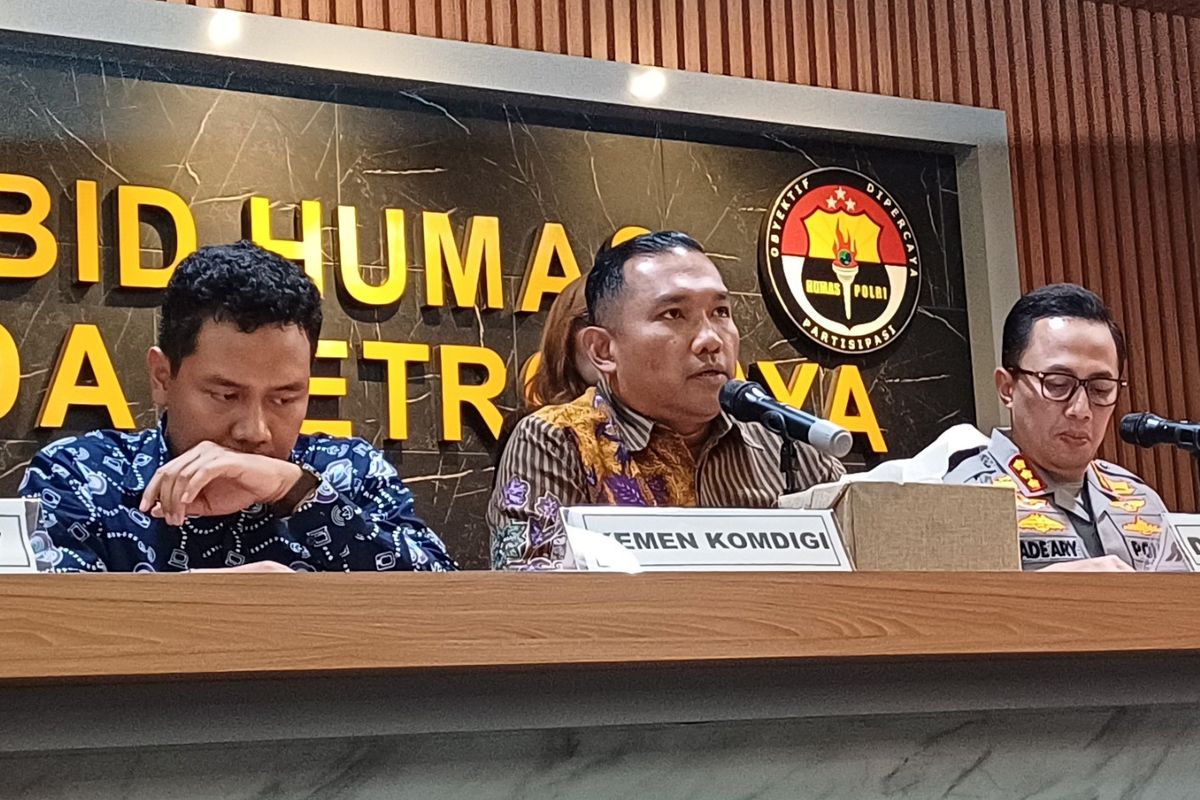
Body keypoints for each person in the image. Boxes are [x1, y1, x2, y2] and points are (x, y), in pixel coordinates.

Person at [19, 241, 456, 573]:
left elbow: (448, 605)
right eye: (226, 396)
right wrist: (231, 611)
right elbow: (40, 632)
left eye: (284, 398)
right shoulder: (80, 476)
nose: (255, 430)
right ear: (162, 378)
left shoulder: (349, 471)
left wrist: (296, 491)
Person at [487, 231, 846, 570]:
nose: (711, 339)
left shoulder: (790, 445)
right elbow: (531, 599)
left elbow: (865, 576)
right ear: (603, 350)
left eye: (720, 312)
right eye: (673, 314)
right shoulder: (556, 440)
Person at [944, 284, 1167, 572]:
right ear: (1007, 388)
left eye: (1100, 389)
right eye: (1058, 384)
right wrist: (1053, 588)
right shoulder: (965, 497)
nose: (1081, 410)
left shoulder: (1141, 499)